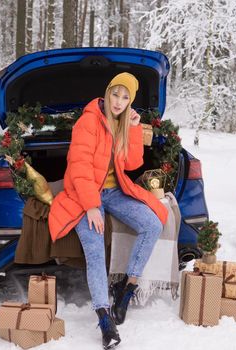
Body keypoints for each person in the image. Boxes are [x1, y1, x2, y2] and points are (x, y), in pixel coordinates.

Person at [48, 72, 168, 349]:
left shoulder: (122, 123)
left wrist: (135, 128)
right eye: (116, 94)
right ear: (107, 92)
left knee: (153, 224)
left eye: (125, 98)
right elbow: (78, 168)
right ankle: (104, 317)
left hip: (115, 192)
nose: (119, 101)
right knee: (94, 248)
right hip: (84, 193)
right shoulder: (88, 122)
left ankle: (127, 288)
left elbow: (132, 164)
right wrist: (91, 206)